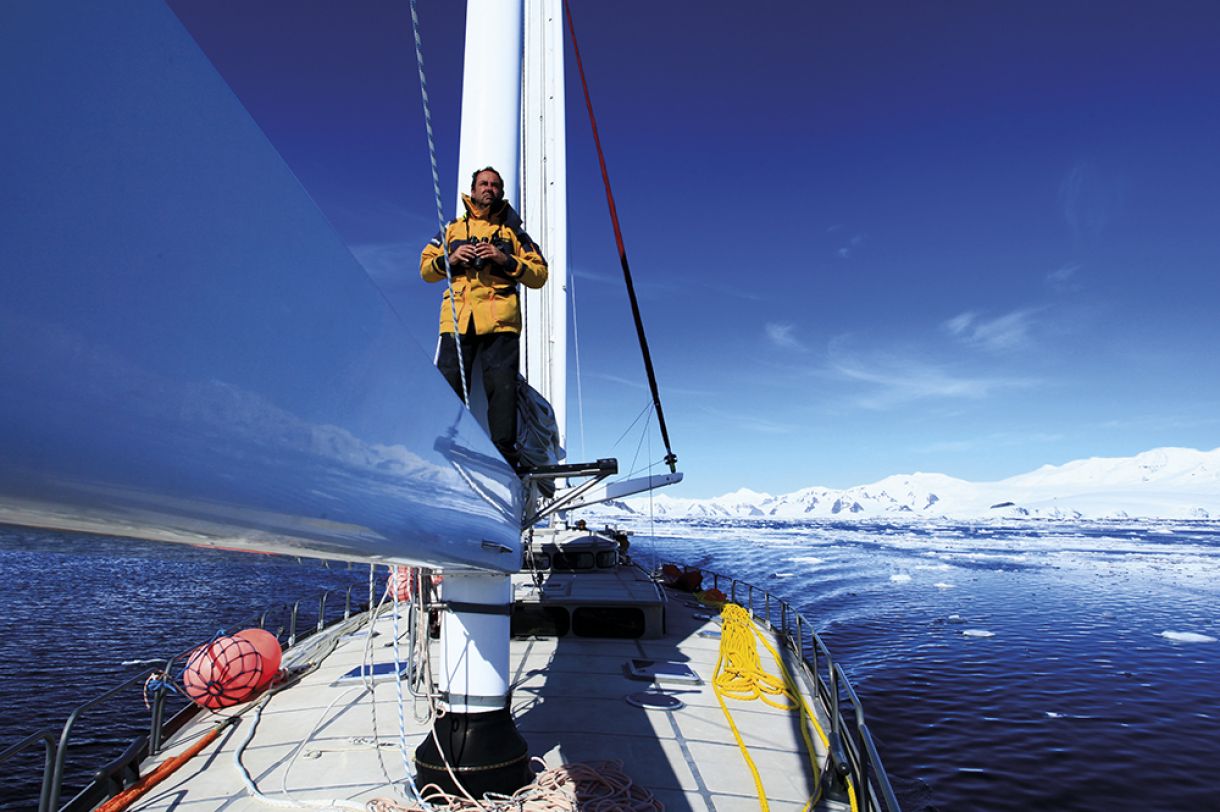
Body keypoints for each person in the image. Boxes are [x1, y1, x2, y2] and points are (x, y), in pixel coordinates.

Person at [420, 167, 548, 470]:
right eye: (483, 184)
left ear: (500, 192)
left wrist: (504, 259)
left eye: (494, 185)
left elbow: (540, 274)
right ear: (473, 189)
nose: (488, 189)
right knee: (447, 386)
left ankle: (505, 457)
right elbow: (426, 270)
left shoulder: (514, 234)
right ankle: (439, 444)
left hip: (500, 321)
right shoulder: (451, 229)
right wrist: (450, 259)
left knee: (502, 391)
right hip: (458, 319)